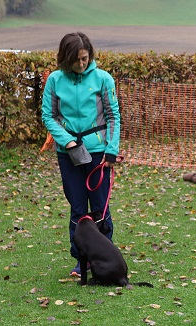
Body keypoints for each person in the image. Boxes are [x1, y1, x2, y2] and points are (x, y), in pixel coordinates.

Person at [41, 32, 121, 277]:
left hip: (98, 152)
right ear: (65, 58)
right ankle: (80, 261)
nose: (82, 64)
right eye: (76, 60)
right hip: (68, 154)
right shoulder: (54, 80)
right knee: (77, 208)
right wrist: (68, 143)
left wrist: (111, 150)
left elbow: (113, 117)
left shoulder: (103, 79)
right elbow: (48, 117)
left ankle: (103, 256)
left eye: (85, 58)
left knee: (99, 208)